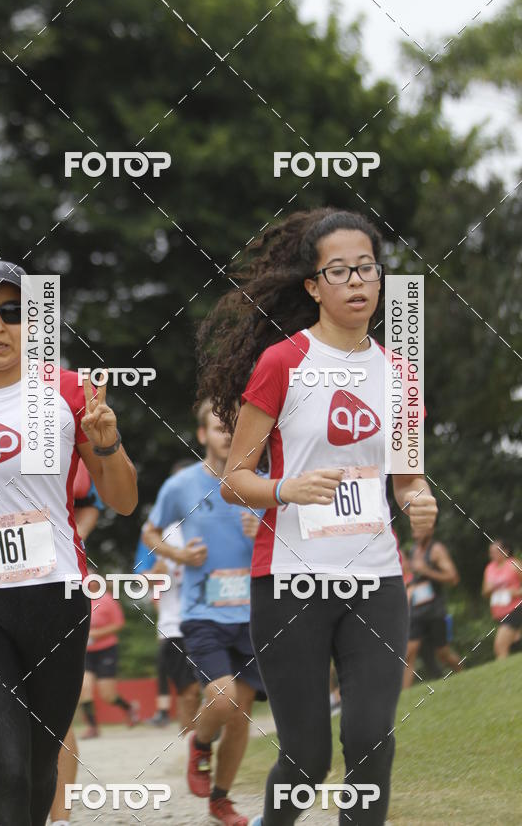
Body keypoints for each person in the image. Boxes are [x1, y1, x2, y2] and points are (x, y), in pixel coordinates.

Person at [196, 208, 439, 826]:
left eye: (367, 268)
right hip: (289, 581)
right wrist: (286, 489)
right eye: (339, 270)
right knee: (306, 758)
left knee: (370, 740)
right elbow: (235, 480)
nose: (356, 281)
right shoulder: (283, 363)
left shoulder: (400, 375)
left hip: (376, 579)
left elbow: (406, 478)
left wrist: (418, 500)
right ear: (313, 286)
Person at [0, 259, 137, 826]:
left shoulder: (70, 392)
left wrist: (108, 444)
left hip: (55, 594)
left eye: (14, 312)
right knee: (8, 765)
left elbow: (122, 501)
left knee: (42, 769)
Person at [143, 402, 264, 826]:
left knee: (242, 715)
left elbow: (296, 542)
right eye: (218, 427)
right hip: (203, 613)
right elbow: (150, 532)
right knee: (223, 698)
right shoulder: (181, 486)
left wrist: (266, 530)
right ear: (202, 435)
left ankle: (221, 800)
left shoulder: (263, 483)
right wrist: (179, 555)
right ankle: (200, 742)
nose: (227, 434)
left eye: (234, 426)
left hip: (254, 616)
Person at [50, 460, 106, 825]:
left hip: (54, 584)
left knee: (56, 710)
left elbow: (90, 502)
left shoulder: (54, 433)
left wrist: (71, 538)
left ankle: (60, 819)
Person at [145, 522, 201, 730]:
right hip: (175, 629)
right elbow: (143, 582)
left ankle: (204, 733)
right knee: (189, 691)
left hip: (211, 622)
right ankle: (193, 742)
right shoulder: (161, 530)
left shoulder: (208, 525)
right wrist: (154, 575)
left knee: (218, 689)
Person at [79, 576, 140, 737]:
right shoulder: (80, 600)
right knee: (84, 688)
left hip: (106, 650)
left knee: (108, 695)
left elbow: (118, 624)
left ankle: (129, 708)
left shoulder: (107, 599)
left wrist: (96, 634)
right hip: (86, 652)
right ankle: (93, 727)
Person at [402, 522, 461, 688]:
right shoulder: (414, 550)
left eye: (419, 531)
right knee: (408, 654)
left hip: (435, 610)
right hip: (417, 611)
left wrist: (427, 570)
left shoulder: (436, 550)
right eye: (413, 531)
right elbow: (417, 577)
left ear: (430, 530)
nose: (415, 535)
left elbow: (453, 578)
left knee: (443, 653)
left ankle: (462, 673)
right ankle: (404, 695)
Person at [482, 539, 522, 659]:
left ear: (506, 551)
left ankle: (502, 668)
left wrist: (514, 592)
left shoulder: (514, 564)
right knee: (515, 643)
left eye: (496, 552)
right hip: (500, 613)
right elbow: (485, 593)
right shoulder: (489, 568)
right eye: (491, 552)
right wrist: (490, 589)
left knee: (500, 647)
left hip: (516, 608)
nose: (492, 555)